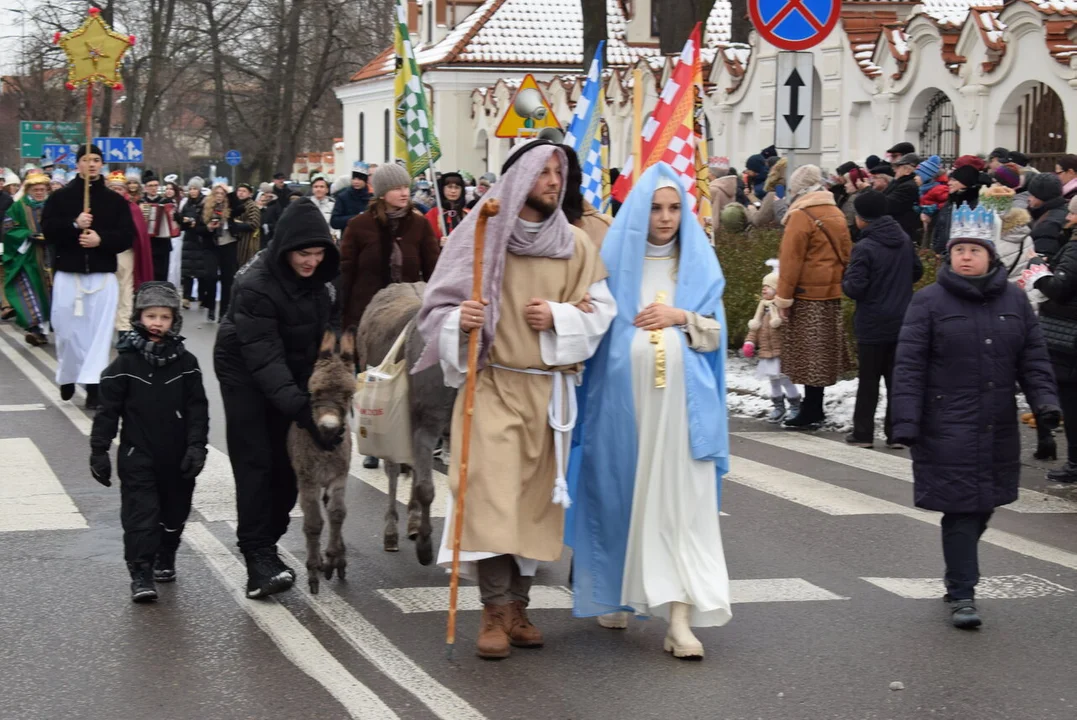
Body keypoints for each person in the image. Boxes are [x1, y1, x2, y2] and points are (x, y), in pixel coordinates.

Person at [414, 140, 615, 660]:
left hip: (548, 392)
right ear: (520, 179)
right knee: (490, 500)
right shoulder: (481, 238)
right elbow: (435, 313)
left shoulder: (576, 245)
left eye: (559, 173)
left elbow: (601, 314)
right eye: (544, 172)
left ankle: (519, 606)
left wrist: (561, 317)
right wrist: (463, 321)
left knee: (531, 508)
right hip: (493, 386)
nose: (554, 181)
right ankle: (494, 611)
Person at [567, 163, 728, 660]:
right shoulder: (614, 267)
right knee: (622, 500)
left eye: (675, 207)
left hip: (683, 417)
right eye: (656, 208)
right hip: (625, 412)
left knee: (681, 509)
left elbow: (715, 335)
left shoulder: (698, 267)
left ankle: (680, 620)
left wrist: (679, 317)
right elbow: (594, 331)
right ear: (639, 213)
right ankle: (616, 592)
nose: (666, 217)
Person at [891, 203, 1059, 629]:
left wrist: (1045, 403)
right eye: (959, 249)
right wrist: (905, 421)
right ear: (950, 255)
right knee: (963, 508)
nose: (966, 256)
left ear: (990, 255)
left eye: (974, 249)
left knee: (984, 505)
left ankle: (957, 579)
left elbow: (1033, 359)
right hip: (945, 424)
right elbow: (909, 365)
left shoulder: (1015, 301)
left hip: (996, 422)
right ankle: (963, 592)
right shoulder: (928, 302)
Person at [214, 198, 341, 599]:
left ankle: (268, 541)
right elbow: (265, 358)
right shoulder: (254, 285)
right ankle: (257, 557)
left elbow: (324, 348)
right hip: (244, 371)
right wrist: (304, 412)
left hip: (289, 369)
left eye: (319, 253)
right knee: (257, 462)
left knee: (290, 466)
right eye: (304, 253)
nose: (312, 261)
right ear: (286, 247)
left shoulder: (321, 285)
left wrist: (327, 406)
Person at [89, 281, 209, 603]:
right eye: (151, 315)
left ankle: (165, 555)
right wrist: (99, 449)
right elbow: (108, 410)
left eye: (165, 317)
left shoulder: (187, 365)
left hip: (178, 454)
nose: (157, 323)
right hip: (136, 453)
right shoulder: (123, 365)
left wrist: (197, 445)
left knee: (174, 513)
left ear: (175, 320)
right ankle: (140, 573)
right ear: (139, 317)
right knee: (140, 516)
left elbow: (198, 408)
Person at [41, 144, 134, 409]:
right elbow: (48, 230)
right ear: (77, 164)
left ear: (101, 164)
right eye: (85, 159)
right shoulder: (60, 198)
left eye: (96, 159)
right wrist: (74, 225)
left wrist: (100, 239)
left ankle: (95, 385)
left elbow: (126, 236)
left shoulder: (115, 201)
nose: (91, 164)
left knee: (98, 334)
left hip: (102, 276)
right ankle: (69, 375)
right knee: (66, 330)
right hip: (69, 274)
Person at [773, 164, 853, 428]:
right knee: (820, 356)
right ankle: (814, 406)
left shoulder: (802, 216)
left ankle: (811, 410)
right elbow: (847, 253)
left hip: (807, 295)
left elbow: (790, 262)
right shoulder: (836, 213)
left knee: (809, 357)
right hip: (830, 294)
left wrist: (783, 299)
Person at [841, 190, 923, 448]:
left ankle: (863, 434)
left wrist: (846, 278)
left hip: (872, 322)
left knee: (869, 381)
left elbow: (855, 288)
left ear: (862, 219)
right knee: (897, 380)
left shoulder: (864, 247)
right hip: (902, 320)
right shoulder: (904, 240)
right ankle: (897, 433)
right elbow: (917, 271)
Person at [339, 163, 440, 331]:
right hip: (366, 317)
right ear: (382, 194)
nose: (404, 193)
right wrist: (343, 317)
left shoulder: (420, 224)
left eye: (406, 187)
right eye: (397, 188)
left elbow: (433, 270)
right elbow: (346, 272)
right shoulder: (359, 225)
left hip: (407, 316)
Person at [743, 261, 801, 423]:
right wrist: (749, 342)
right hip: (766, 353)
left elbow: (789, 329)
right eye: (763, 286)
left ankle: (795, 405)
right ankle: (778, 406)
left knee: (784, 379)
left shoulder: (781, 311)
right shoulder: (762, 311)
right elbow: (754, 328)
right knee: (773, 381)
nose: (764, 289)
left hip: (780, 353)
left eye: (768, 286)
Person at [2, 171, 52, 346]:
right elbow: (8, 229)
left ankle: (48, 330)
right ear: (28, 190)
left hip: (51, 257)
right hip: (28, 257)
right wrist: (27, 234)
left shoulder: (53, 205)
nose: (39, 192)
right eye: (35, 189)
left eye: (42, 189)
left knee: (52, 293)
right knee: (32, 291)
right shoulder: (18, 207)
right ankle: (35, 330)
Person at [106, 170, 154, 337]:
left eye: (119, 189)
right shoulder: (99, 206)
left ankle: (124, 328)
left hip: (124, 253)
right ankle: (104, 326)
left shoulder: (132, 208)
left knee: (125, 289)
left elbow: (138, 234)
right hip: (103, 253)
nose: (116, 192)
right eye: (112, 188)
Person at [197, 184, 239, 322]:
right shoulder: (205, 208)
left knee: (228, 279)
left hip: (228, 244)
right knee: (211, 276)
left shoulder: (230, 209)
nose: (220, 196)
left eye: (222, 194)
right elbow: (197, 229)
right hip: (211, 246)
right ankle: (210, 305)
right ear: (212, 196)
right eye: (217, 193)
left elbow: (241, 207)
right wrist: (208, 228)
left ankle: (223, 311)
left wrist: (230, 192)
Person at [931, 163, 981, 256]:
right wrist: (935, 248)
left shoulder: (974, 207)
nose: (949, 183)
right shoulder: (951, 201)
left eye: (954, 180)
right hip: (941, 256)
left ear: (965, 182)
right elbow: (939, 227)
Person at [178, 178, 206, 309]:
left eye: (195, 189)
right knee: (187, 270)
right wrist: (183, 221)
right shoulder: (186, 203)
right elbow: (181, 220)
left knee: (201, 270)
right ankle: (186, 297)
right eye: (191, 189)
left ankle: (202, 297)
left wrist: (197, 223)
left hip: (201, 239)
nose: (193, 191)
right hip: (189, 239)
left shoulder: (205, 202)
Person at [1026, 173, 1068, 259]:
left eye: (1032, 195)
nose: (1028, 198)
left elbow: (1042, 259)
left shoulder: (1048, 226)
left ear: (1042, 197)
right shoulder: (1065, 208)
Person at [886, 153, 923, 244]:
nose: (895, 170)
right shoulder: (900, 183)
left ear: (907, 171)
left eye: (899, 167)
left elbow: (887, 204)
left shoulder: (908, 186)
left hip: (902, 230)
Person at [424, 171, 468, 244]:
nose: (453, 191)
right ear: (442, 189)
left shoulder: (467, 214)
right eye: (449, 187)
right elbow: (424, 240)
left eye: (457, 187)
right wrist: (438, 242)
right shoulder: (432, 214)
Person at [330, 163, 372, 231]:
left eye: (359, 179)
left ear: (365, 180)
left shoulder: (371, 197)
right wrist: (357, 218)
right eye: (354, 178)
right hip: (348, 238)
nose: (356, 182)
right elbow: (334, 222)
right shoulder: (343, 197)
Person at [230, 183, 262, 267]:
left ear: (250, 194)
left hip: (247, 244)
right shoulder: (234, 205)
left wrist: (235, 224)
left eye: (244, 191)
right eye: (239, 190)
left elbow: (254, 224)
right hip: (235, 243)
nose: (240, 193)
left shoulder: (252, 206)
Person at [308, 175, 336, 241]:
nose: (318, 189)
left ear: (327, 190)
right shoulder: (306, 204)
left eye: (322, 187)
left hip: (327, 240)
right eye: (316, 187)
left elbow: (334, 225)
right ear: (312, 189)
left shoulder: (333, 205)